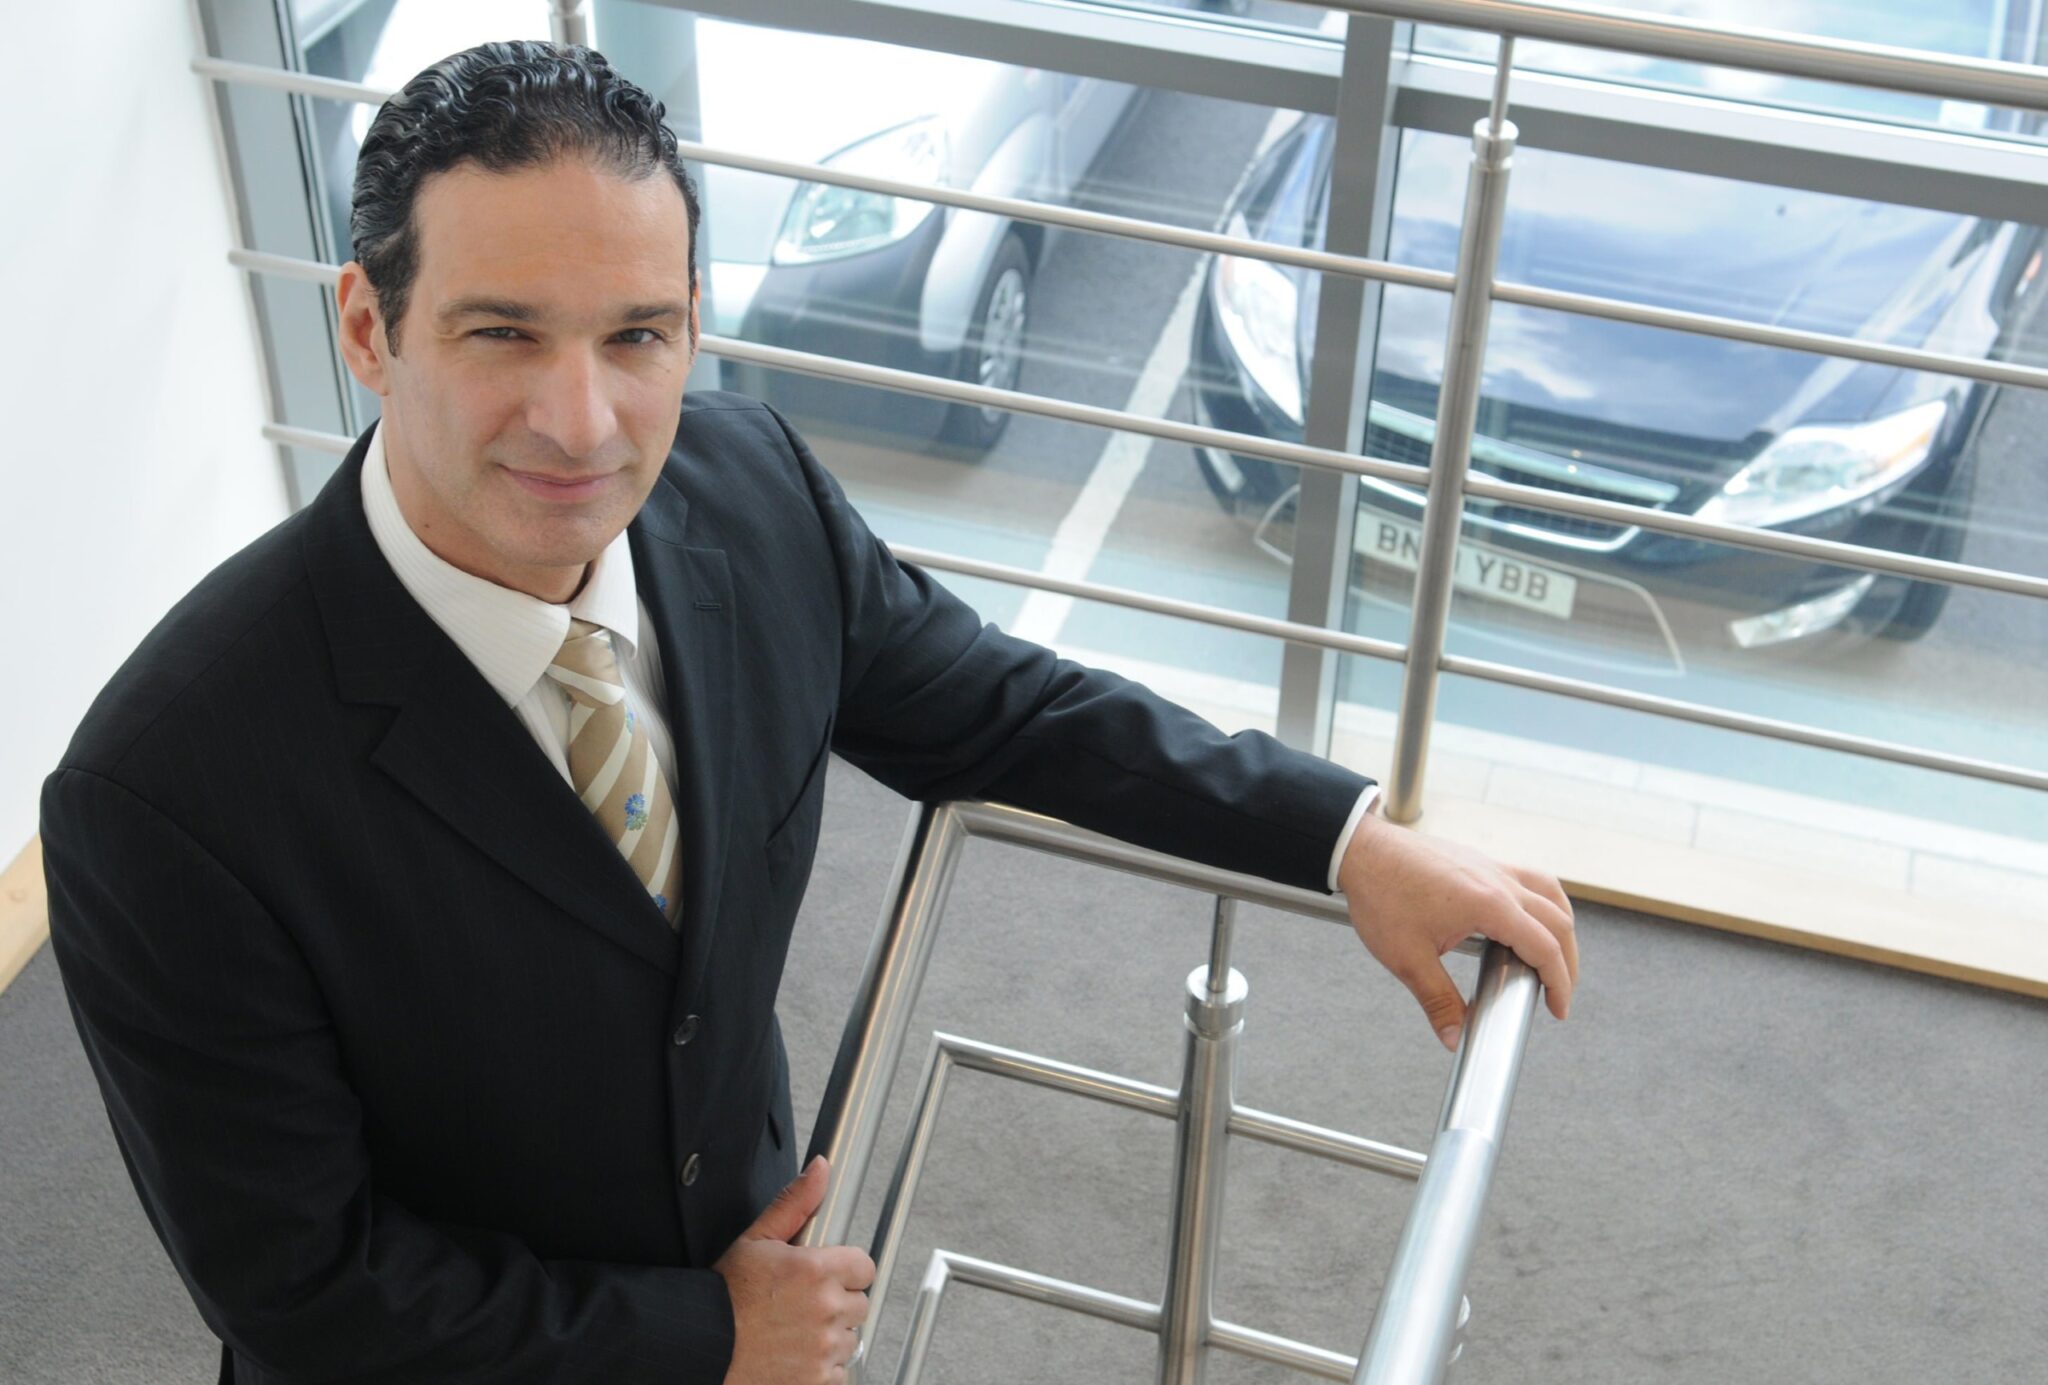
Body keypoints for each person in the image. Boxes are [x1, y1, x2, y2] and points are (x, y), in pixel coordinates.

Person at [39, 40, 1577, 1385]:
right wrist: (705, 1340)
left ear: (695, 324)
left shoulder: (749, 489)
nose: (583, 421)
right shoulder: (163, 790)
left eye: (637, 334)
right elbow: (302, 1289)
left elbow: (1001, 710)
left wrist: (1343, 836)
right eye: (503, 333)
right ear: (370, 331)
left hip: (764, 1301)